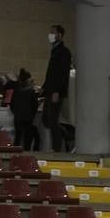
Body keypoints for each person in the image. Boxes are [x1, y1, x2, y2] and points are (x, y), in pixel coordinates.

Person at [42, 23, 72, 152]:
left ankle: (57, 148)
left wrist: (56, 91)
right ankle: (63, 137)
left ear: (60, 35)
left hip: (56, 91)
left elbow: (61, 73)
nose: (51, 35)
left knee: (53, 120)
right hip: (49, 90)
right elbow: (51, 73)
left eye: (53, 32)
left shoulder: (63, 52)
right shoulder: (54, 50)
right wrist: (44, 88)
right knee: (47, 119)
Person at [10, 68, 40, 151]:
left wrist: (16, 113)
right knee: (27, 139)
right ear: (28, 79)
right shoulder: (31, 91)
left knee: (18, 138)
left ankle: (15, 154)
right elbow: (35, 105)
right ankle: (27, 154)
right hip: (28, 118)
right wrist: (32, 115)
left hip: (18, 117)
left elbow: (12, 104)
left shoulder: (16, 90)